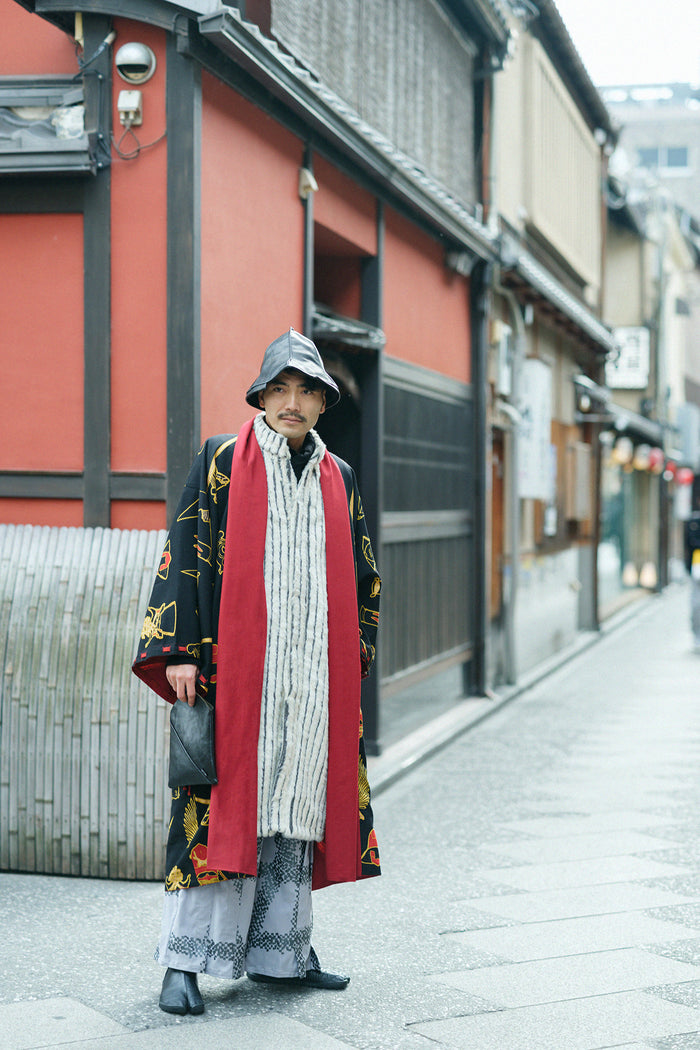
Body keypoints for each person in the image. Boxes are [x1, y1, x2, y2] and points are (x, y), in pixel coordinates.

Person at [132, 328, 381, 1016]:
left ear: (323, 403)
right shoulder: (221, 461)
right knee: (216, 817)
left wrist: (352, 654)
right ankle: (183, 962)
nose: (292, 402)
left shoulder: (339, 477)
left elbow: (362, 572)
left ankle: (283, 955)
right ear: (261, 397)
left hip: (309, 678)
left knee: (295, 813)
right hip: (234, 675)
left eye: (306, 391)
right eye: (280, 389)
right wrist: (180, 650)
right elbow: (185, 549)